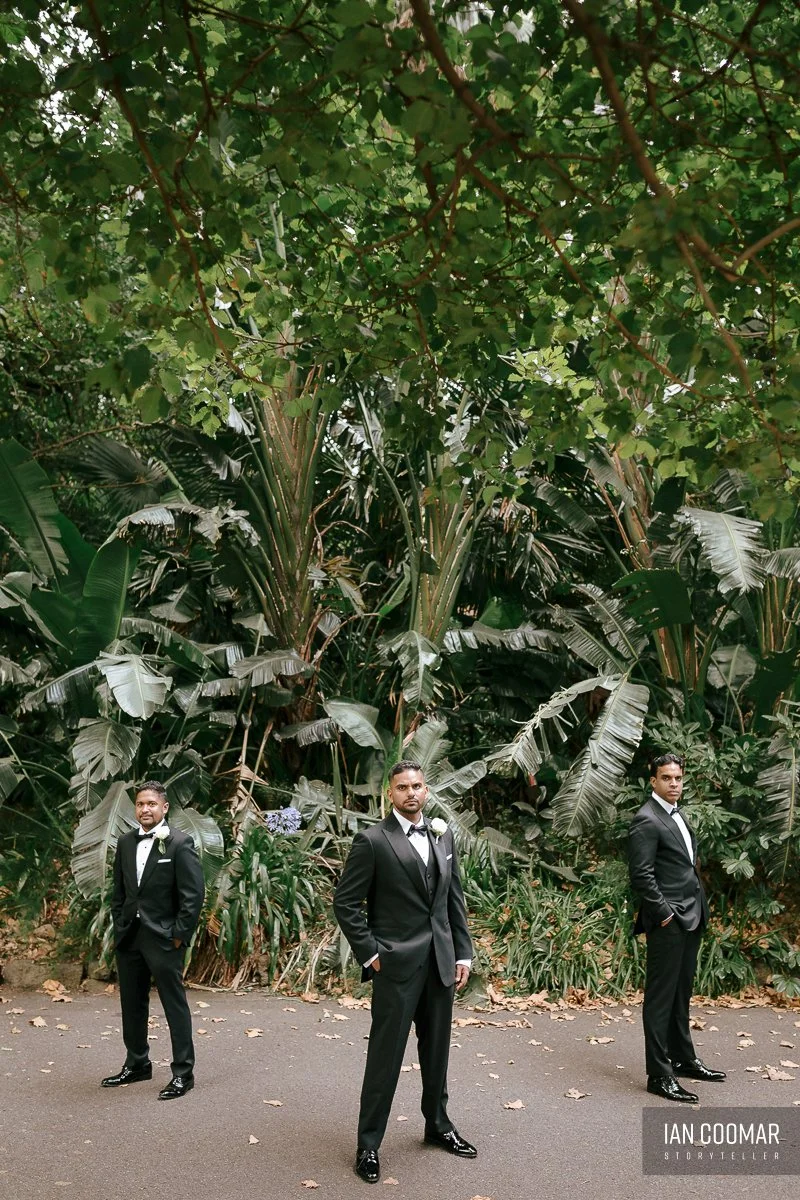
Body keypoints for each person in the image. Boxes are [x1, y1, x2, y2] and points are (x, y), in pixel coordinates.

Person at [333, 760, 476, 1184]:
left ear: (426, 790)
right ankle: (368, 1144)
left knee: (437, 1054)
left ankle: (437, 1126)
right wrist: (371, 954)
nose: (411, 793)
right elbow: (346, 904)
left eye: (417, 786)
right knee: (385, 1057)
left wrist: (463, 953)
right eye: (402, 787)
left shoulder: (442, 833)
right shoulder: (372, 841)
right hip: (395, 967)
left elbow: (453, 896)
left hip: (441, 964)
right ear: (390, 794)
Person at [628, 752, 726, 1103]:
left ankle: (683, 1059)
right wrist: (665, 913)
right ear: (652, 781)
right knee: (659, 999)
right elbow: (641, 874)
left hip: (692, 915)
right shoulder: (646, 819)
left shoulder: (677, 814)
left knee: (681, 993)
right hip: (669, 920)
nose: (674, 784)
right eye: (667, 778)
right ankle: (659, 1074)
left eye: (678, 779)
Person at [101, 780, 205, 1100]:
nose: (145, 809)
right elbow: (119, 891)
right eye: (140, 804)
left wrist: (178, 936)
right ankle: (137, 1064)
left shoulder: (179, 843)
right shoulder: (126, 842)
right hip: (130, 936)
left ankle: (183, 1073)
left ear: (164, 807)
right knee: (131, 1003)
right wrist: (120, 923)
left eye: (151, 804)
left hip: (163, 938)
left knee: (174, 1005)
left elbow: (193, 895)